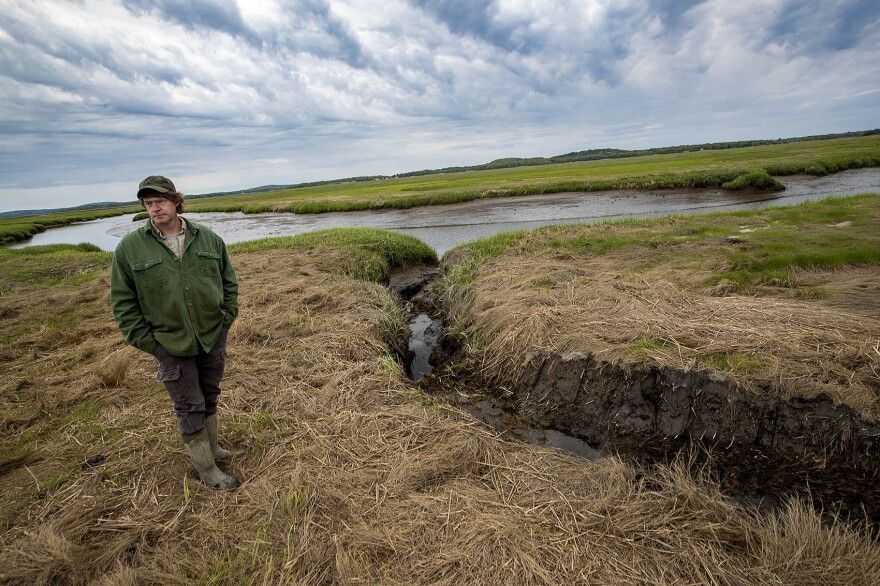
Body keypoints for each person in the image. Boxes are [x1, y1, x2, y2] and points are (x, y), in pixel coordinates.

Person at [110, 175, 240, 489]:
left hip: (211, 336)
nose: (154, 208)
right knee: (189, 404)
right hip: (169, 344)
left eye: (160, 201)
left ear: (175, 202)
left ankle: (214, 448)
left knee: (210, 395)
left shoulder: (207, 238)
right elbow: (123, 304)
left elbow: (229, 284)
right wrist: (154, 346)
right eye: (148, 203)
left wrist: (224, 322)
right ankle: (207, 470)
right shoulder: (129, 249)